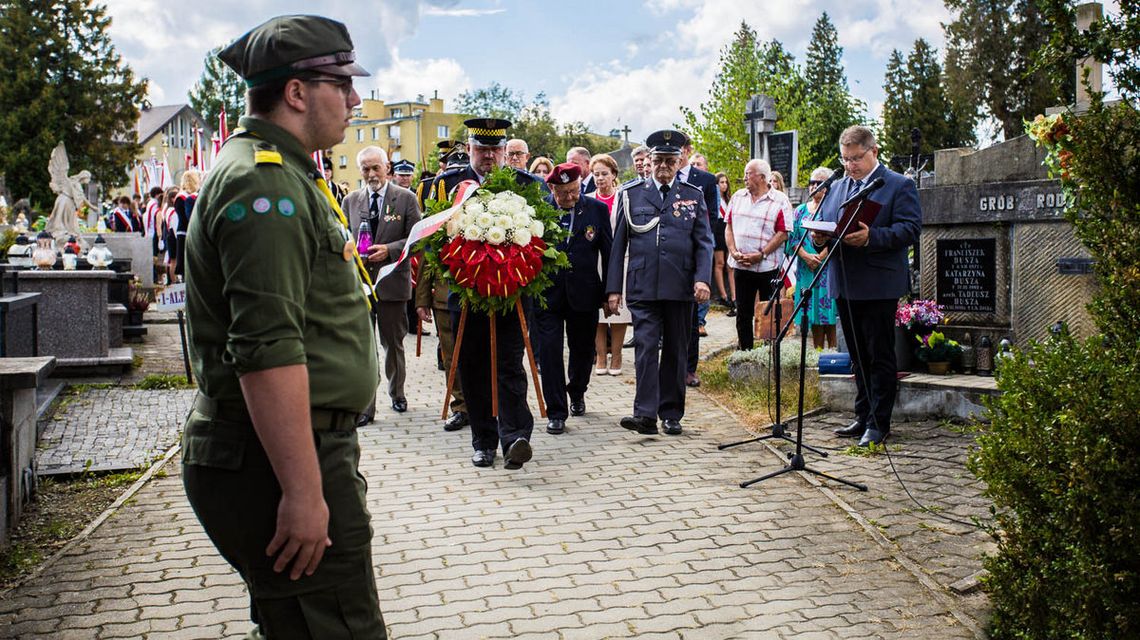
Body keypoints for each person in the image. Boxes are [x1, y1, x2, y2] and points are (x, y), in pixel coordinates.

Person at [181, 15, 387, 639]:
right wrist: (302, 491)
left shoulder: (287, 172)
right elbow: (266, 349)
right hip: (278, 460)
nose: (354, 99)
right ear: (296, 93)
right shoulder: (265, 183)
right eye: (341, 83)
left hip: (289, 450)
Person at [426, 117, 549, 469]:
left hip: (512, 295)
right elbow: (435, 239)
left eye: (496, 149)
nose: (489, 157)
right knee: (473, 366)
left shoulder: (528, 185)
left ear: (506, 150)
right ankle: (483, 440)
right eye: (482, 149)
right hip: (466, 295)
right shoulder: (449, 185)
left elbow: (546, 236)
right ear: (469, 150)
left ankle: (515, 437)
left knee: (509, 363)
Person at [812, 125, 922, 447]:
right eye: (845, 159)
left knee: (879, 355)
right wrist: (821, 235)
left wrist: (873, 237)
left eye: (856, 158)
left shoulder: (898, 185)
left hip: (878, 283)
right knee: (857, 356)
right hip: (845, 280)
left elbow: (910, 229)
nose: (849, 166)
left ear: (873, 152)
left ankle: (879, 422)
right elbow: (831, 222)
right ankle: (862, 415)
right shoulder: (837, 187)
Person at [606, 129, 713, 436]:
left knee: (677, 351)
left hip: (680, 287)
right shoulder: (631, 194)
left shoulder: (693, 195)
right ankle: (644, 415)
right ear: (648, 162)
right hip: (643, 285)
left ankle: (671, 413)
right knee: (645, 348)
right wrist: (614, 289)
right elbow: (618, 245)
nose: (663, 167)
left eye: (670, 161)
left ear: (679, 162)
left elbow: (704, 242)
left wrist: (702, 280)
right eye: (658, 161)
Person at [532, 162, 612, 435]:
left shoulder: (596, 210)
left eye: (574, 191)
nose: (570, 197)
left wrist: (610, 292)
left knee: (582, 350)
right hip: (547, 295)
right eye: (563, 192)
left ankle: (577, 391)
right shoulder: (539, 211)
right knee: (550, 352)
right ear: (552, 188)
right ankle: (556, 411)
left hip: (585, 292)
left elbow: (609, 253)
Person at [342, 146, 421, 421]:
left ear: (387, 167)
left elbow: (418, 238)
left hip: (392, 283)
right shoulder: (350, 201)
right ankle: (366, 407)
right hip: (361, 285)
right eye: (365, 168)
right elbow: (342, 238)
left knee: (393, 343)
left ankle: (397, 393)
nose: (371, 173)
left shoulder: (406, 199)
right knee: (364, 347)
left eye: (376, 167)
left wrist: (389, 249)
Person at [724, 159, 791, 351]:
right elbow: (728, 226)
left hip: (767, 267)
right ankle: (745, 351)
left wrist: (761, 254)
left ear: (762, 177)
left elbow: (783, 232)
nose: (744, 177)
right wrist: (733, 251)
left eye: (748, 173)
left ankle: (769, 354)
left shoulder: (779, 200)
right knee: (743, 312)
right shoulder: (738, 197)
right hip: (741, 266)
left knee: (768, 311)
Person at [679, 138, 718, 384]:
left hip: (692, 255)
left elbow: (711, 217)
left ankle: (689, 368)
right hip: (668, 257)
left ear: (688, 150)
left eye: (682, 149)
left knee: (691, 317)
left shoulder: (705, 180)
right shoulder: (660, 176)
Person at [415, 253, 469, 433]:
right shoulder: (438, 224)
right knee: (451, 358)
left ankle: (485, 406)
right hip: (444, 298)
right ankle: (461, 407)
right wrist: (422, 300)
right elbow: (427, 254)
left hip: (480, 294)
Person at [588, 154, 629, 375]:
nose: (600, 178)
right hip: (595, 262)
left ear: (614, 175)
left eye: (605, 174)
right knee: (598, 311)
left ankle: (618, 355)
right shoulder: (588, 199)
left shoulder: (624, 198)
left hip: (620, 259)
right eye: (596, 174)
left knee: (619, 311)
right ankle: (601, 356)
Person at [789, 167, 838, 349]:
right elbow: (793, 239)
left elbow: (837, 236)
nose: (813, 187)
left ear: (827, 187)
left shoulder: (833, 209)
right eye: (811, 183)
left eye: (818, 183)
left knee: (830, 314)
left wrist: (821, 256)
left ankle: (833, 352)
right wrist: (806, 256)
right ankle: (817, 353)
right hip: (806, 268)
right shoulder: (800, 210)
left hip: (828, 268)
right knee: (814, 314)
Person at [712, 172, 736, 316]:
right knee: (719, 263)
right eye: (721, 182)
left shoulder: (729, 199)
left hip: (727, 229)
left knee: (730, 264)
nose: (724, 185)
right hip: (717, 229)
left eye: (726, 182)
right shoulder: (715, 199)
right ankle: (723, 295)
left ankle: (734, 296)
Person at [173, 170, 201, 281]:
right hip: (184, 231)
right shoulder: (182, 197)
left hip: (189, 230)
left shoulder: (190, 196)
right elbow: (186, 216)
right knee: (184, 261)